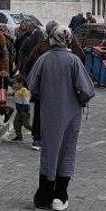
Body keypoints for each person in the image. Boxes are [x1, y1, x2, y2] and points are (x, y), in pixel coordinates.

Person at [27, 25, 95, 211]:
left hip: (48, 112)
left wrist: (44, 95)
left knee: (49, 151)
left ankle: (44, 195)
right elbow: (87, 90)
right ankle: (60, 195)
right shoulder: (74, 61)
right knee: (67, 150)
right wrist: (78, 100)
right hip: (71, 113)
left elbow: (32, 84)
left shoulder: (44, 59)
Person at [24, 21, 85, 151]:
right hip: (64, 88)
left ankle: (38, 138)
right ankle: (56, 139)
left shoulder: (41, 48)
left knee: (40, 113)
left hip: (44, 88)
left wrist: (33, 85)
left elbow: (29, 65)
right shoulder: (70, 52)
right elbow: (81, 57)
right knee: (61, 113)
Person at [10, 75, 32, 142]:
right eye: (13, 83)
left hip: (24, 111)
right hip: (19, 111)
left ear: (21, 83)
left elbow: (26, 102)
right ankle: (19, 137)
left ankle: (36, 132)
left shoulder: (24, 90)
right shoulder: (17, 90)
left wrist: (23, 111)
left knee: (26, 125)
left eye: (15, 83)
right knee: (16, 123)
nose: (14, 85)